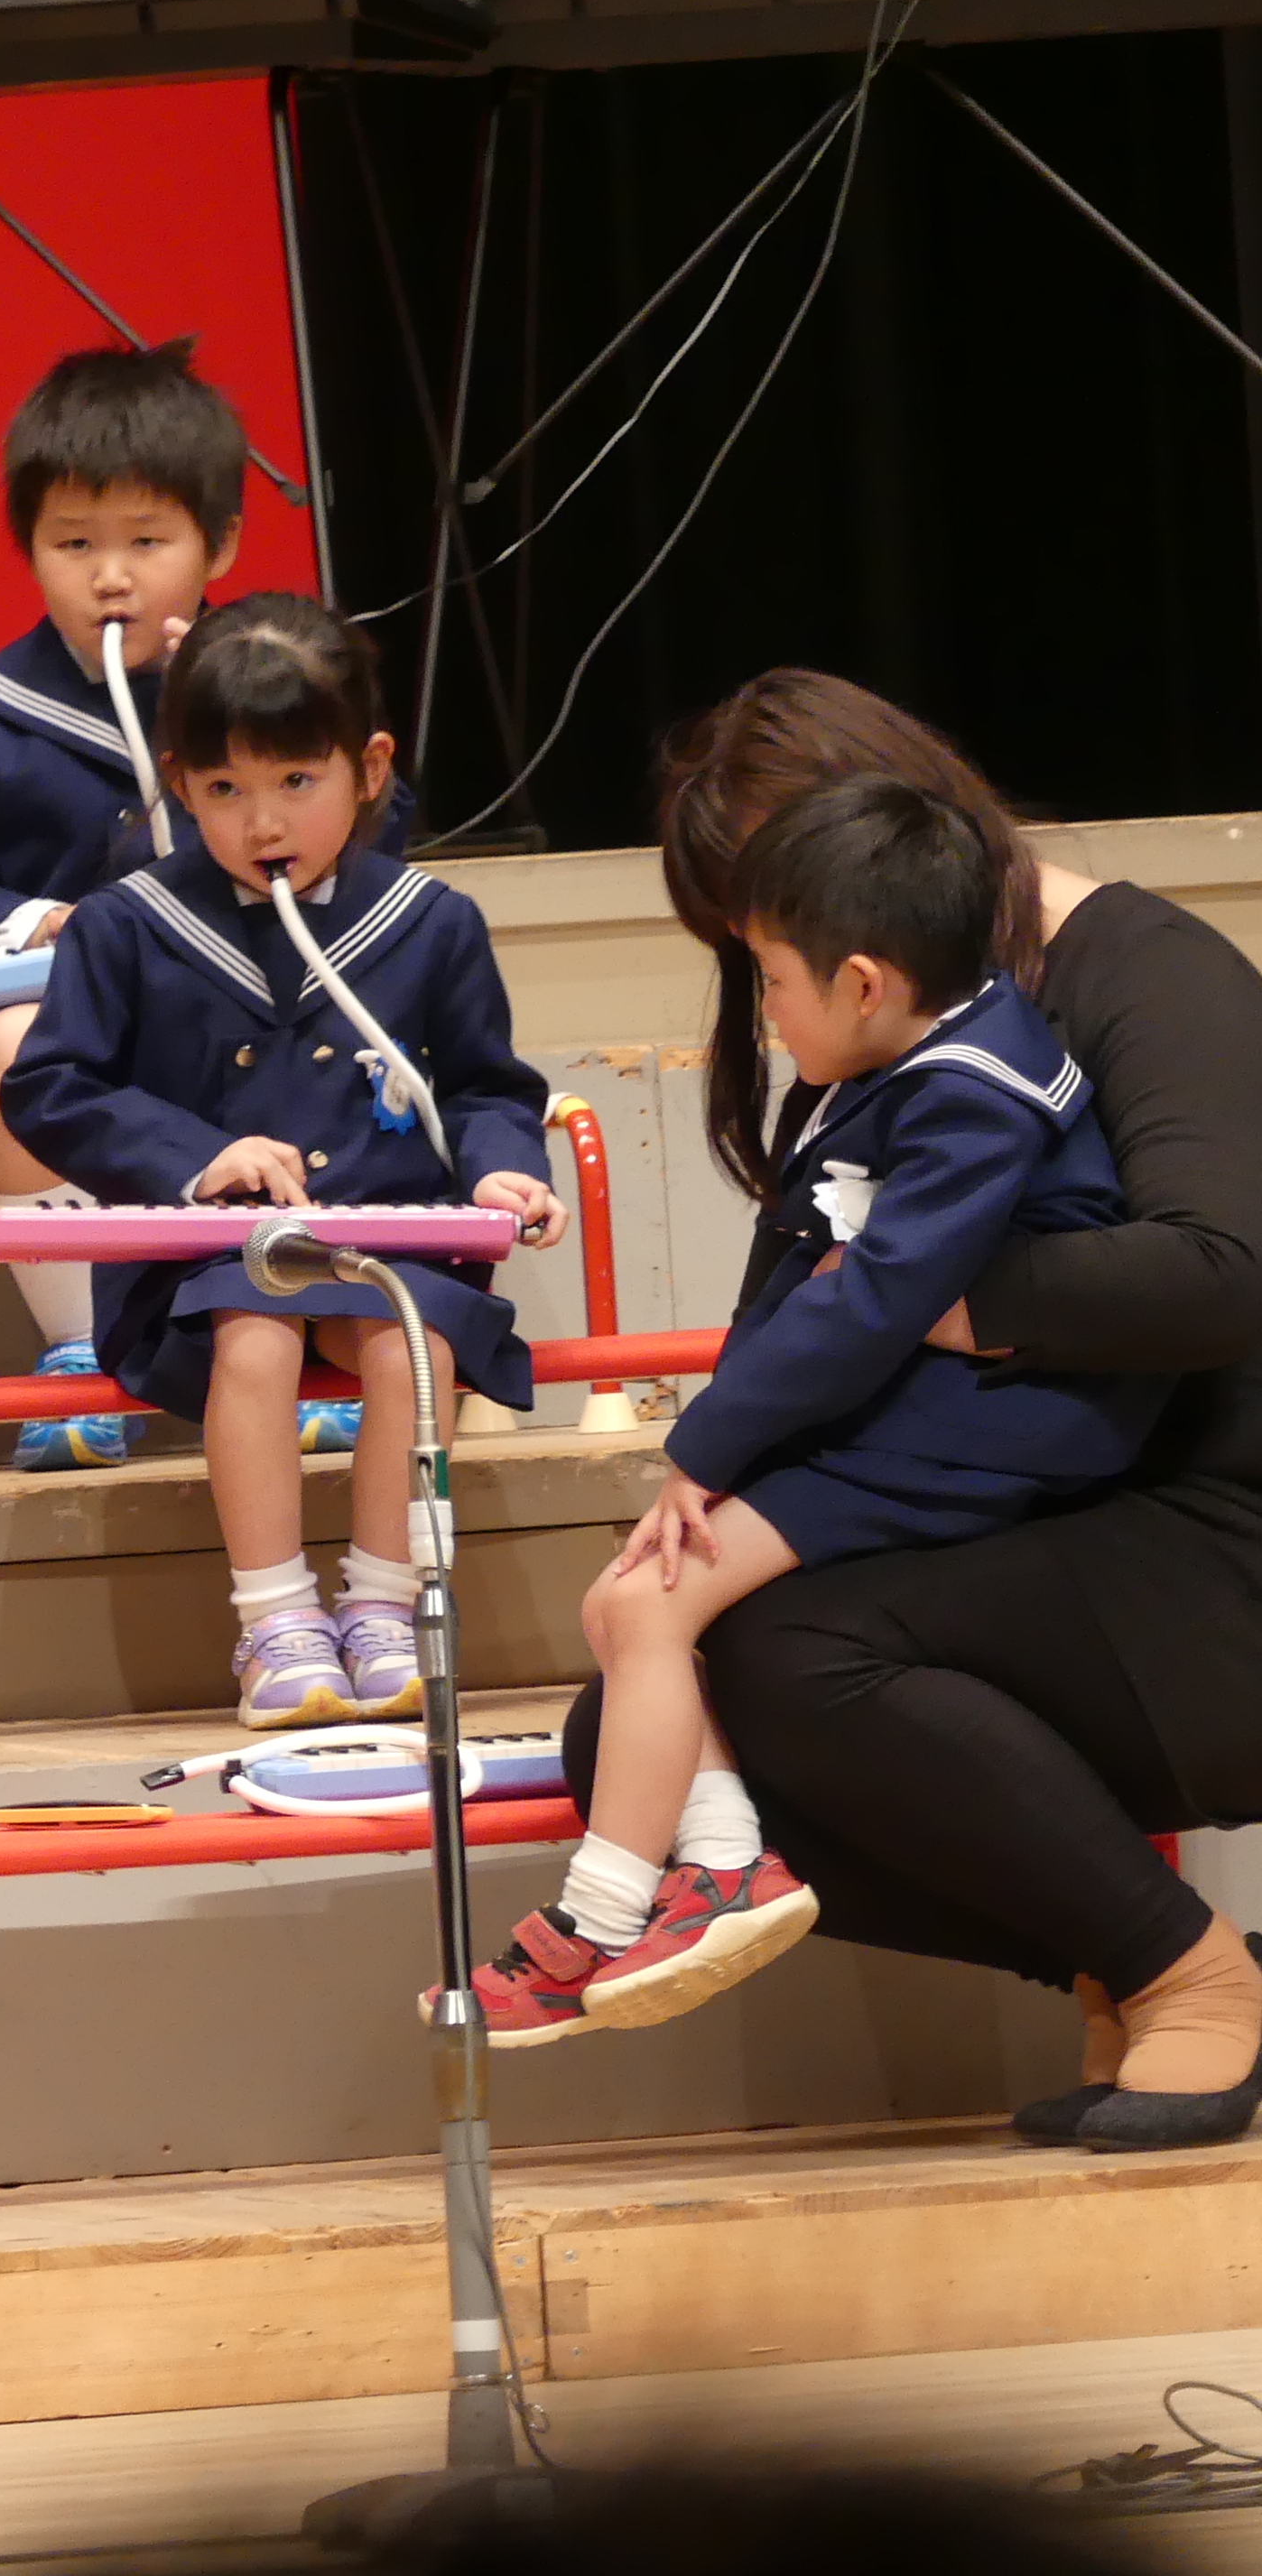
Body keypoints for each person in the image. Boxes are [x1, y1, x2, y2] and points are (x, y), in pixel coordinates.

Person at [561, 669, 1262, 2153]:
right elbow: (803, 1311)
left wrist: (925, 1292)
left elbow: (1222, 1275)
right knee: (632, 1717)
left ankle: (1190, 1974)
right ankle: (1124, 1948)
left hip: (1209, 1541)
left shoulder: (1143, 969)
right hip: (1033, 1509)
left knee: (790, 1654)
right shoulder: (886, 1044)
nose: (778, 970)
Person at [482, 774, 1173, 2045]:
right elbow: (818, 1283)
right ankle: (724, 1863)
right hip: (922, 1412)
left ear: (860, 982)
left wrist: (705, 1449)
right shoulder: (918, 1047)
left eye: (770, 981)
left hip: (989, 1425)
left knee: (644, 1603)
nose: (762, 1011)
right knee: (623, 1605)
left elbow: (868, 1301)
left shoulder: (974, 1091)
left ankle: (598, 1918)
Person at [1, 598, 558, 1729]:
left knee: (414, 1342)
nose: (262, 822)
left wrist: (499, 1167)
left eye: (297, 782)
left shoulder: (431, 921)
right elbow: (50, 1087)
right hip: (209, 1258)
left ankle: (384, 1606)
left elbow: (486, 1087)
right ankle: (275, 1621)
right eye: (222, 790)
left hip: (383, 1242)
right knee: (251, 1337)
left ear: (369, 768)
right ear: (177, 785)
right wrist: (198, 1157)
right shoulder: (127, 924)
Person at [0, 338, 317, 1473]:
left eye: (146, 543)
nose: (110, 578)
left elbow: (372, 832)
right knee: (9, 1045)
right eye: (73, 545)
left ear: (220, 545)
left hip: (239, 1004)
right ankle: (79, 1352)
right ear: (28, 547)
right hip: (66, 1014)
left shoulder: (283, 696)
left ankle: (311, 1337)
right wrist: (38, 923)